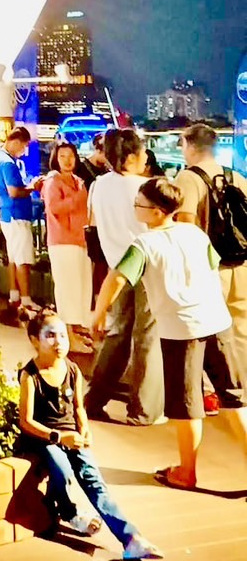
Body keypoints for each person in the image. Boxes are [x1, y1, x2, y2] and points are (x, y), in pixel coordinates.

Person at [93, 177, 247, 492]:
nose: (135, 208)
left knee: (186, 405)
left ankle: (186, 473)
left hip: (181, 330)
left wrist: (98, 314)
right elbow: (213, 266)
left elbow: (116, 279)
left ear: (156, 211)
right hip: (217, 321)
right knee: (234, 399)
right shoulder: (195, 233)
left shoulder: (144, 245)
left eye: (139, 204)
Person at [18, 308, 160, 559]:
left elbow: (78, 408)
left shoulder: (72, 370)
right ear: (34, 341)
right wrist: (58, 437)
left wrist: (84, 430)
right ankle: (69, 512)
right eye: (50, 335)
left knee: (93, 480)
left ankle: (131, 538)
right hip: (44, 438)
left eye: (62, 335)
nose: (58, 342)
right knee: (62, 470)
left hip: (71, 436)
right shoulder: (31, 375)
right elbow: (26, 421)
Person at [84, 128, 164, 426]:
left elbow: (93, 224)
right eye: (142, 152)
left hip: (117, 268)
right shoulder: (145, 188)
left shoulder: (99, 185)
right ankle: (143, 409)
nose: (145, 158)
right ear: (130, 157)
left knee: (117, 335)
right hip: (148, 268)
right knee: (147, 337)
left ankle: (93, 400)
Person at [174, 122, 247, 344]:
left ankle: (219, 368)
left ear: (188, 145)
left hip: (210, 267)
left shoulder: (188, 178)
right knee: (241, 328)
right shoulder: (235, 177)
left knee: (211, 330)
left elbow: (186, 223)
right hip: (241, 263)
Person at [41, 141, 93, 354]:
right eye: (62, 156)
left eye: (71, 155)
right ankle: (68, 337)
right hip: (63, 241)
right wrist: (76, 198)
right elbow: (54, 208)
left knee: (81, 288)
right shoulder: (53, 182)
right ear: (55, 159)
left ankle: (76, 330)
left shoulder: (78, 181)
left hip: (81, 240)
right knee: (67, 290)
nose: (67, 160)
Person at [0, 126, 43, 325]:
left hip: (7, 214)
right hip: (16, 215)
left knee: (13, 257)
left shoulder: (0, 158)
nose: (24, 150)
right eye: (23, 145)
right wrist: (33, 187)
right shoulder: (8, 163)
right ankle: (26, 300)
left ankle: (15, 296)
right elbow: (14, 191)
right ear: (16, 141)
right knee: (23, 259)